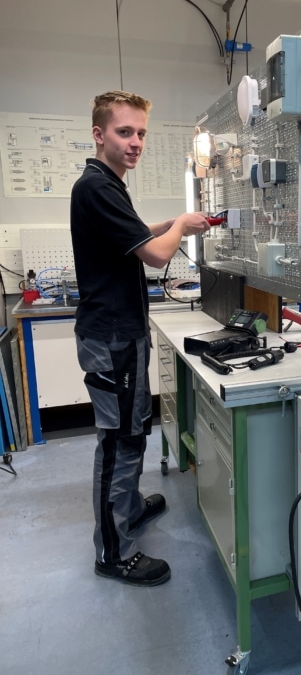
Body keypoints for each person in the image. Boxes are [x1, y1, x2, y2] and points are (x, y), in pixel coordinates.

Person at [70, 90, 210, 586]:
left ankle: (126, 510)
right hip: (111, 338)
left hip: (120, 334)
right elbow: (153, 255)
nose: (135, 143)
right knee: (118, 441)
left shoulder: (108, 185)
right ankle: (113, 552)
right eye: (124, 132)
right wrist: (184, 227)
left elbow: (136, 236)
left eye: (141, 133)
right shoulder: (96, 188)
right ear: (99, 134)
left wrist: (172, 223)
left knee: (134, 430)